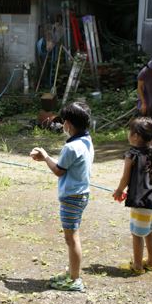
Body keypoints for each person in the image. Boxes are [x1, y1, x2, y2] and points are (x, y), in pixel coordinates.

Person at [30, 102, 94, 292]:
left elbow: (59, 171)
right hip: (82, 194)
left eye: (64, 121)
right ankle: (72, 273)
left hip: (72, 197)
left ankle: (75, 279)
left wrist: (45, 157)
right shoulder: (86, 140)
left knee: (71, 238)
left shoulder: (71, 147)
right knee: (72, 237)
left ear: (68, 124)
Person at [113, 117, 152, 274]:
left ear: (136, 135)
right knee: (149, 231)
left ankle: (137, 265)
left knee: (137, 234)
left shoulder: (132, 154)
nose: (128, 135)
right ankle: (151, 262)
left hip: (142, 201)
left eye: (130, 132)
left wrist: (118, 191)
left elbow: (125, 178)